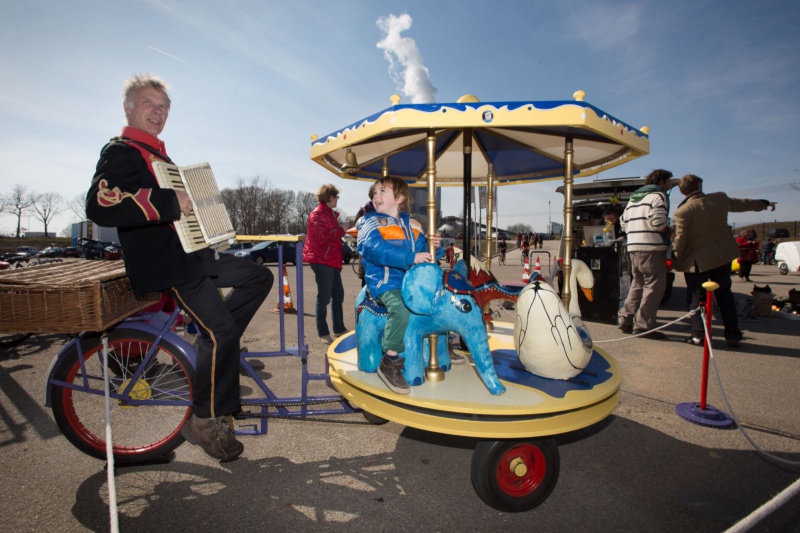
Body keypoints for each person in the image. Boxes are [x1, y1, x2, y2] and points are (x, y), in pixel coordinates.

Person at [86, 73, 273, 462]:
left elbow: (178, 210)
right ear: (128, 109)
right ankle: (204, 421)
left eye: (163, 106)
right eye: (148, 104)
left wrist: (208, 222)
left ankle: (215, 354)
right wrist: (172, 201)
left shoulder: (158, 155)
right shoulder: (120, 151)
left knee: (259, 276)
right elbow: (99, 204)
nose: (157, 111)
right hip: (168, 263)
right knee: (220, 331)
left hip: (192, 255)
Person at [357, 177, 442, 394]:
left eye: (382, 191)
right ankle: (390, 358)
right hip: (384, 281)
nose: (376, 197)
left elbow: (423, 254)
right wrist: (409, 257)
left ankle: (439, 348)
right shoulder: (370, 223)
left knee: (440, 303)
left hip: (410, 281)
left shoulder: (413, 226)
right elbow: (376, 249)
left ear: (400, 197)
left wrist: (435, 249)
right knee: (401, 308)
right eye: (374, 193)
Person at [672, 174, 775, 348]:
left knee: (698, 299)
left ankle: (699, 336)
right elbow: (742, 204)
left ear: (682, 191)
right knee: (725, 296)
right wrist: (764, 204)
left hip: (698, 262)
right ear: (699, 184)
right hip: (722, 257)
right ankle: (733, 335)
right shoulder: (719, 198)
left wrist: (676, 258)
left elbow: (681, 239)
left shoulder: (682, 211)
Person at [617, 169, 674, 339]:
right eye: (669, 181)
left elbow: (623, 222)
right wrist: (669, 230)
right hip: (651, 247)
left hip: (633, 246)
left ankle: (625, 318)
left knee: (637, 283)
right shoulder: (659, 196)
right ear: (662, 181)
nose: (670, 185)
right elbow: (657, 222)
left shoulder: (634, 199)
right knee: (654, 287)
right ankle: (643, 325)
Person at [303, 184, 347, 344]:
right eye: (336, 197)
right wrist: (341, 230)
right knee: (324, 297)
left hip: (330, 260)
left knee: (338, 295)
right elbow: (322, 238)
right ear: (329, 197)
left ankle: (339, 328)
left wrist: (340, 230)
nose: (337, 200)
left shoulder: (327, 214)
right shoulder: (318, 214)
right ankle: (323, 332)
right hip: (322, 260)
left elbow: (328, 236)